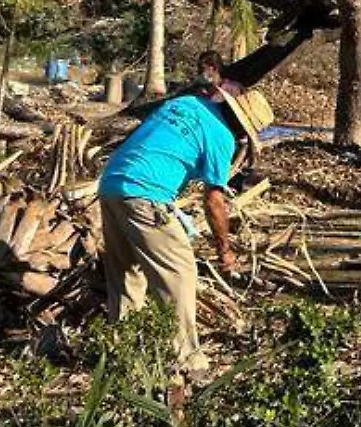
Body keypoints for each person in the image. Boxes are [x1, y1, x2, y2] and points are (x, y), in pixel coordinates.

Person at [97, 88, 267, 375]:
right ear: (242, 126)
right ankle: (187, 360)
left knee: (126, 274)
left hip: (111, 184)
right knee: (180, 274)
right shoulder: (222, 137)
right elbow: (214, 201)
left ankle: (123, 355)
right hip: (145, 194)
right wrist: (224, 250)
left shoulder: (187, 103)